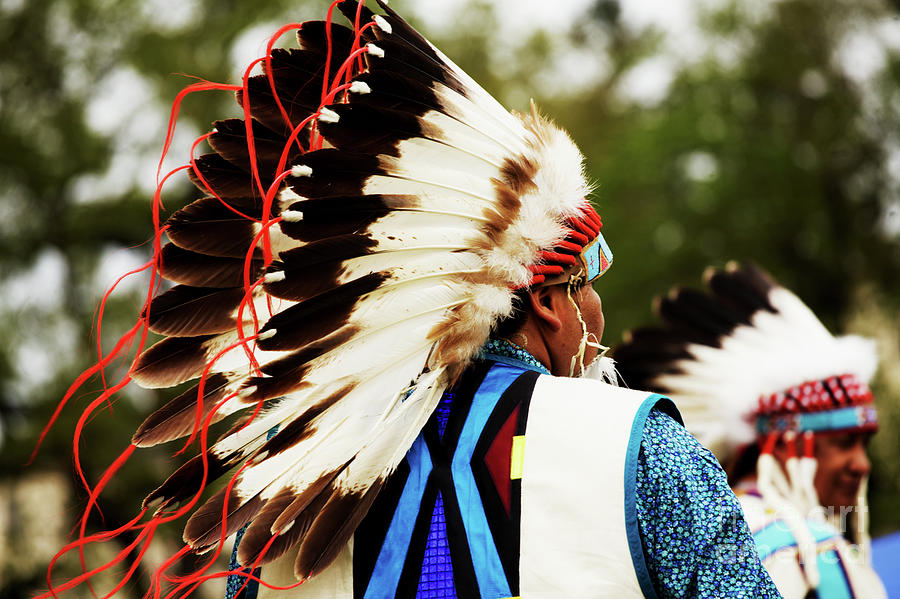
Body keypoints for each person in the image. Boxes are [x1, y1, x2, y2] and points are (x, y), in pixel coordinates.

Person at [40, 2, 777, 597]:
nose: (598, 318)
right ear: (552, 300)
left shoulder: (292, 493)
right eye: (589, 285)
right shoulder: (640, 451)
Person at [614, 261, 887, 599]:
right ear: (787, 444)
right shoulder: (809, 552)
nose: (862, 464)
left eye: (864, 445)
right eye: (844, 443)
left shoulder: (692, 543)